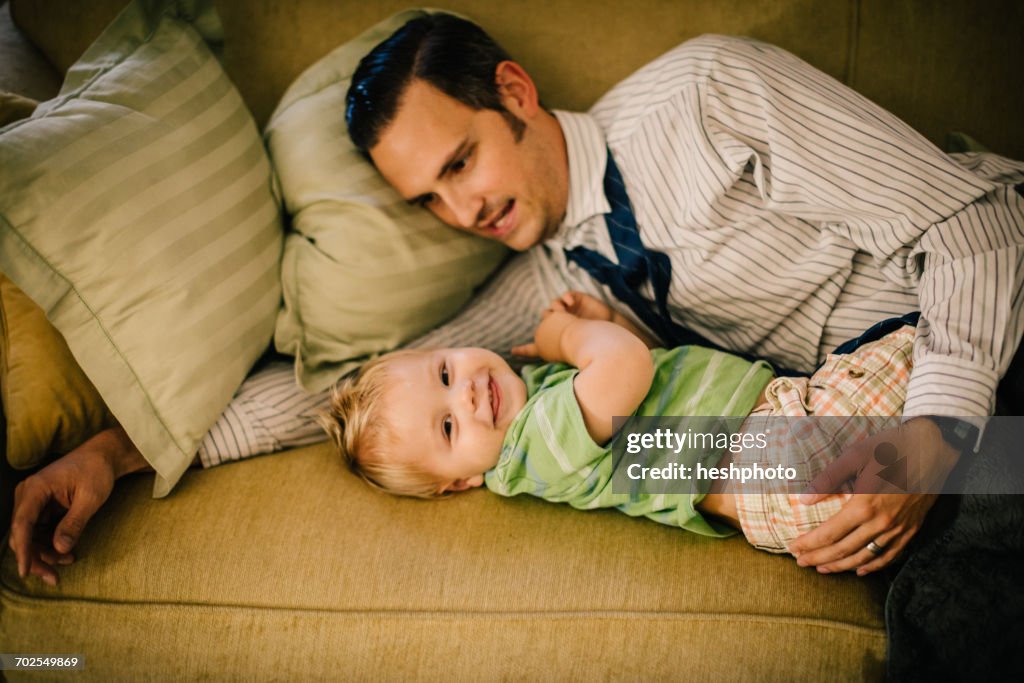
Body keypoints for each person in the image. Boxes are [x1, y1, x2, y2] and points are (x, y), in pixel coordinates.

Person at [343, 14, 1024, 574]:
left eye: (460, 163)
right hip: (852, 421)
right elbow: (375, 383)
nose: (462, 212)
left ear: (515, 92)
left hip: (986, 315)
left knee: (977, 512)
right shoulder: (541, 286)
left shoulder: (705, 95)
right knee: (943, 594)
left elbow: (978, 221)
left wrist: (938, 430)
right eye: (429, 199)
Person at [325, 291, 931, 559]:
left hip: (777, 491)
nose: (468, 396)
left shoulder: (547, 406)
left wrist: (608, 320)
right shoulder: (535, 448)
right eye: (449, 428)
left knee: (980, 457)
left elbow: (648, 384)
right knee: (929, 343)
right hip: (775, 454)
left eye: (443, 373)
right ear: (460, 483)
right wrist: (563, 336)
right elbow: (627, 366)